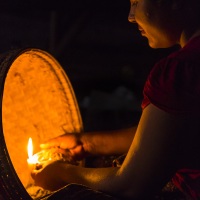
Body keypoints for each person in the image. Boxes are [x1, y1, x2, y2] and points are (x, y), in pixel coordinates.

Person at [31, 0, 200, 199]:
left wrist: (63, 173)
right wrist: (86, 143)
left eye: (136, 2)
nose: (130, 16)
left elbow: (131, 185)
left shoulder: (180, 73)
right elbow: (170, 131)